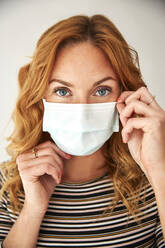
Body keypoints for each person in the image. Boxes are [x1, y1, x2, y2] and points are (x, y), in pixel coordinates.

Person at [0, 14, 165, 248]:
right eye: (62, 91)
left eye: (101, 90)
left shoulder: (154, 179)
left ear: (126, 94)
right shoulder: (8, 183)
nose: (81, 111)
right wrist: (32, 210)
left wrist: (159, 170)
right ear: (39, 97)